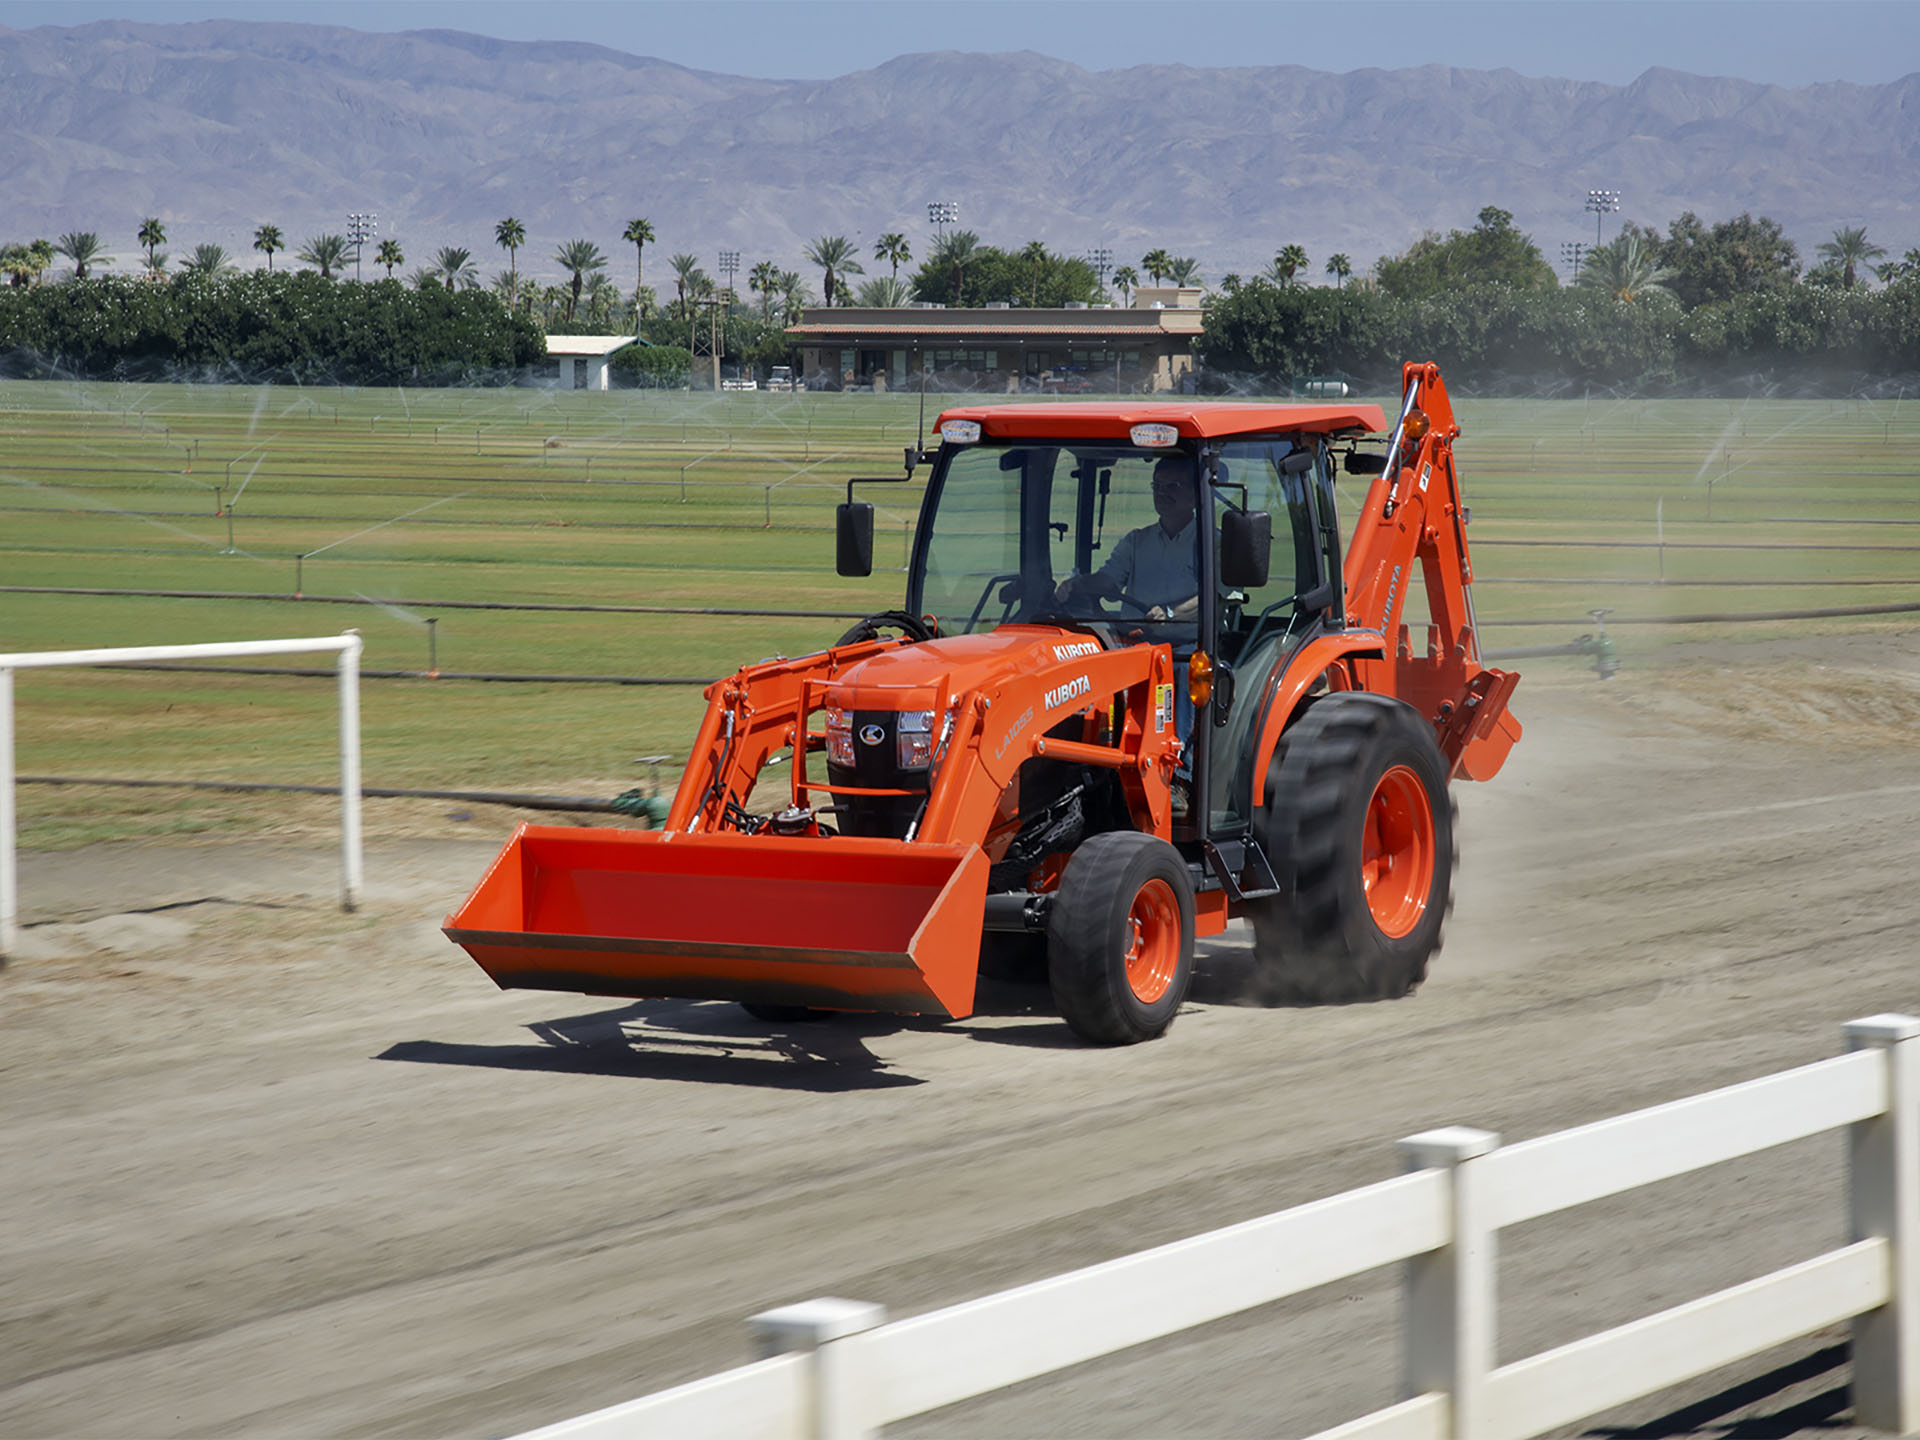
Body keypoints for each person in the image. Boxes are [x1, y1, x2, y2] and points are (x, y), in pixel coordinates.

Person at [1054, 455, 1199, 621]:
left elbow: (1215, 598)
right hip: (1134, 640)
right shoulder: (1136, 542)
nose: (1161, 493)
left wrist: (1169, 613)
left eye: (1172, 486)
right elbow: (1108, 581)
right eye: (1157, 486)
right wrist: (1077, 585)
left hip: (1191, 644)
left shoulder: (1212, 545)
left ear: (1194, 495)